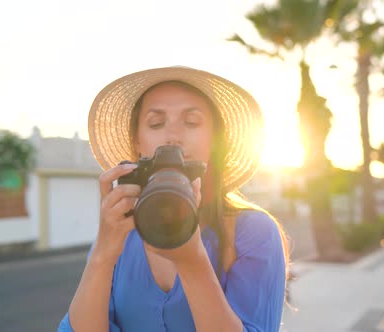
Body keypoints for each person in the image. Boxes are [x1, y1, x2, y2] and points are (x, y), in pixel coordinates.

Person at [57, 66, 290, 332]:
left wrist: (192, 261)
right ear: (137, 142)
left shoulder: (255, 232)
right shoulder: (119, 233)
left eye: (191, 122)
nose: (173, 137)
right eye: (156, 123)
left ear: (215, 140)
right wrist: (103, 253)